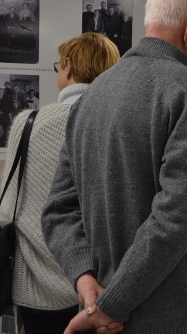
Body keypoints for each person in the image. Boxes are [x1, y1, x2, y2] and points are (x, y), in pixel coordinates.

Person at [41, 0, 187, 333]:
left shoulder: (93, 94)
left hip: (111, 317)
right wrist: (108, 306)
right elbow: (175, 218)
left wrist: (86, 284)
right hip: (180, 316)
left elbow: (58, 210)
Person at [0, 32, 120, 334]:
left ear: (67, 67)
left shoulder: (28, 123)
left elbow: (9, 208)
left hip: (37, 289)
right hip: (104, 291)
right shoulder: (119, 123)